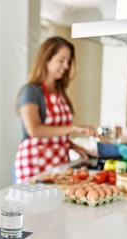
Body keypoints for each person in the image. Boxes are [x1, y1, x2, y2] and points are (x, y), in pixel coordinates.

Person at [14, 36, 99, 183]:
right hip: (34, 166)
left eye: (68, 61)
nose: (66, 66)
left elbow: (55, 133)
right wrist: (74, 128)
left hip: (58, 166)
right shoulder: (31, 92)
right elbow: (35, 130)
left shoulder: (60, 92)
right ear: (46, 59)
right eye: (61, 60)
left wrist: (73, 146)